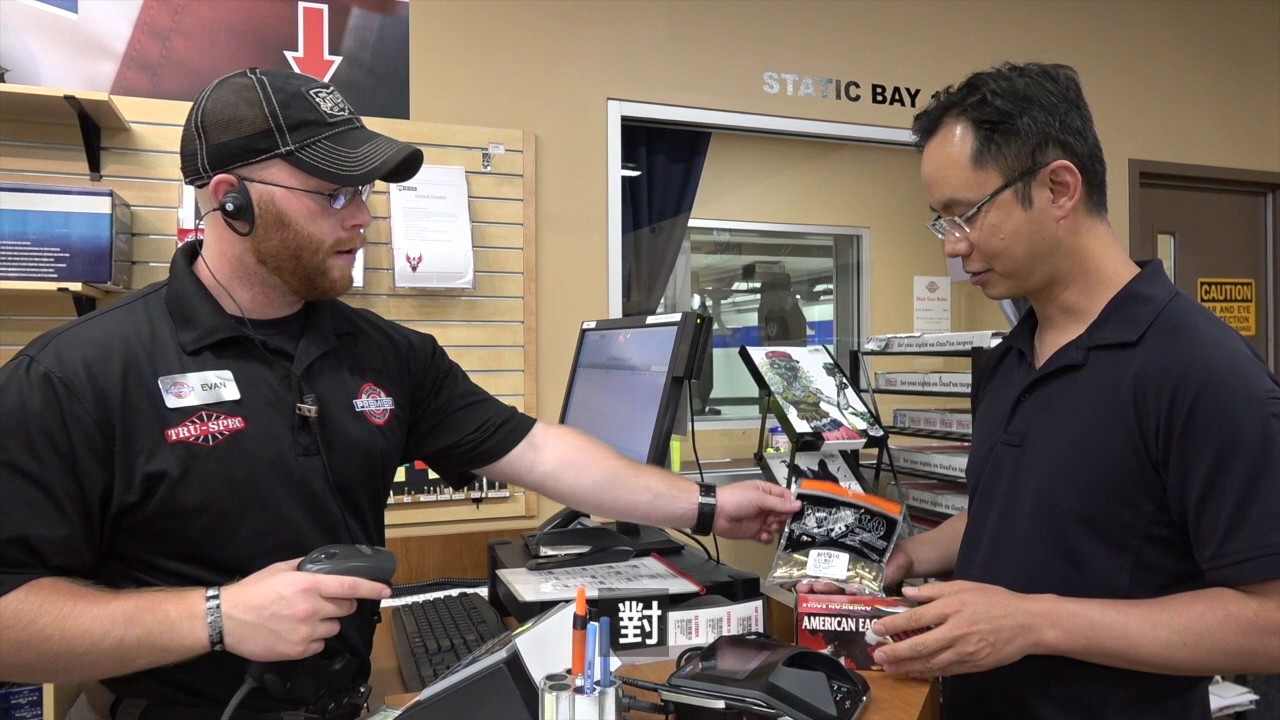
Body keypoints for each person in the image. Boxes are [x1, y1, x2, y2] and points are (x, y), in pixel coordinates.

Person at [0, 68, 801, 720]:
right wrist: (216, 617)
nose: (363, 218)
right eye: (333, 194)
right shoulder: (75, 377)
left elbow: (539, 450)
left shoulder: (386, 354)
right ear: (229, 198)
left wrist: (701, 506)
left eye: (368, 193)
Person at [839, 62, 1280, 719]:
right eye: (942, 222)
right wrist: (909, 555)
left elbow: (1269, 623)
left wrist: (1034, 622)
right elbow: (1036, 512)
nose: (953, 250)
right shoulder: (1009, 357)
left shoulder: (1202, 371)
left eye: (967, 216)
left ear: (1059, 188)